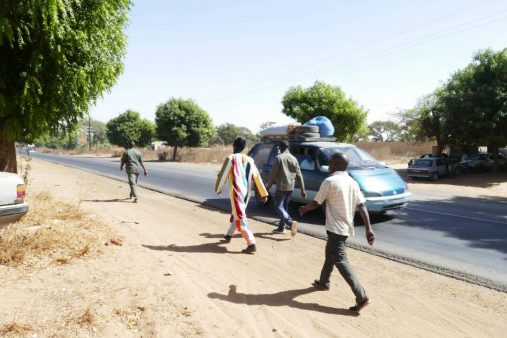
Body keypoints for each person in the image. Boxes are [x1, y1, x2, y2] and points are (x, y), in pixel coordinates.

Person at [298, 152, 375, 315]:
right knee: (330, 254)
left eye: (332, 163)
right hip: (345, 229)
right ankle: (323, 282)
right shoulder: (352, 182)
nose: (329, 166)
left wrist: (304, 209)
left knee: (340, 260)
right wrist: (369, 228)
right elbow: (362, 206)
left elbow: (316, 202)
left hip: (336, 229)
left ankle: (362, 297)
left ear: (338, 165)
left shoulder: (329, 181)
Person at [215, 137, 268, 254]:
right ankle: (228, 235)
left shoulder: (231, 158)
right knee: (237, 213)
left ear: (233, 145)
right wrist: (263, 193)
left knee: (240, 216)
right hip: (246, 193)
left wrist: (218, 188)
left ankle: (251, 244)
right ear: (244, 148)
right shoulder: (249, 159)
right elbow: (257, 176)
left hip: (236, 192)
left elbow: (223, 175)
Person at [267, 141, 307, 235]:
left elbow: (273, 174)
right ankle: (281, 228)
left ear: (281, 147)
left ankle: (290, 222)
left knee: (278, 206)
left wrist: (269, 185)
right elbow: (299, 175)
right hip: (291, 187)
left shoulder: (279, 158)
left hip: (281, 187)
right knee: (284, 207)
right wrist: (302, 189)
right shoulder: (294, 159)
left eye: (279, 147)